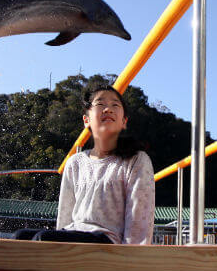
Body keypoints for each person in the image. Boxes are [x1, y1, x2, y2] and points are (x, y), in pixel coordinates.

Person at [13, 84, 155, 244]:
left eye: (115, 105)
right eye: (100, 104)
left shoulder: (136, 160)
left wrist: (129, 262)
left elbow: (139, 220)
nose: (108, 109)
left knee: (43, 239)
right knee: (20, 237)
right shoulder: (75, 162)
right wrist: (59, 247)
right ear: (86, 120)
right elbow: (65, 215)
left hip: (108, 240)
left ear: (124, 121)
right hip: (75, 233)